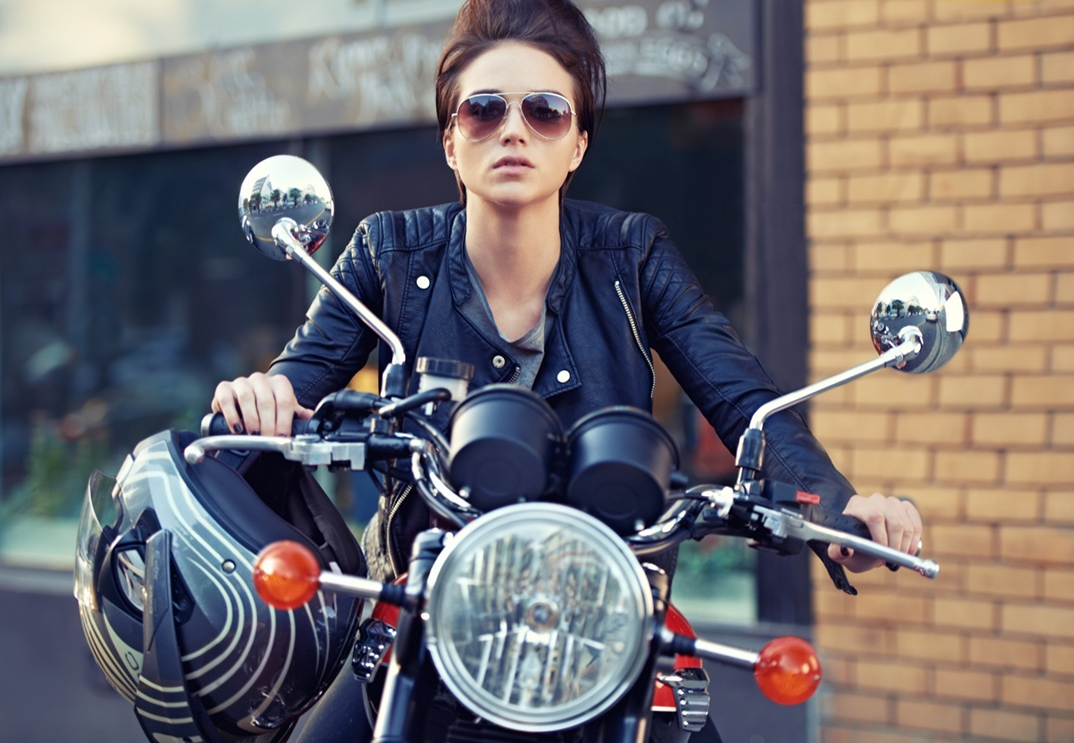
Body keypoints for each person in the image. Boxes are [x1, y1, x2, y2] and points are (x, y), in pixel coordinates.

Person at [211, 0, 922, 739]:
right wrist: (265, 394)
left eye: (545, 111)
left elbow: (744, 400)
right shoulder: (388, 252)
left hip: (603, 623)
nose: (513, 129)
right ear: (452, 141)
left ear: (577, 142)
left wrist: (838, 511)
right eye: (483, 110)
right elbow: (302, 374)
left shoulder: (633, 255)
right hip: (427, 619)